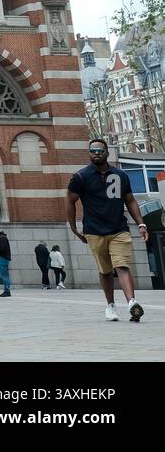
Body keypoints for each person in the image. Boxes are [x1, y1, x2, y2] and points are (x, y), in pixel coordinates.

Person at [67, 138, 150, 322]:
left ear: (107, 153)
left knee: (122, 265)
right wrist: (74, 228)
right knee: (105, 271)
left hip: (119, 228)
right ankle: (110, 306)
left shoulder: (120, 175)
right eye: (93, 151)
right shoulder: (80, 177)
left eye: (100, 151)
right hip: (94, 231)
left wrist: (141, 224)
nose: (96, 154)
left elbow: (130, 200)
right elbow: (70, 202)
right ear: (89, 153)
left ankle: (131, 303)